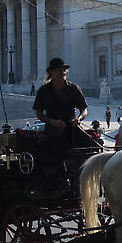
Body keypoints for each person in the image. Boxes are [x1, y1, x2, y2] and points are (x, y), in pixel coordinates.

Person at [33, 57, 88, 194]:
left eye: (64, 70)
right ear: (51, 72)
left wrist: (79, 119)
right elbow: (39, 114)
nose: (62, 73)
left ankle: (86, 175)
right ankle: (61, 180)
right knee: (57, 145)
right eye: (59, 70)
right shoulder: (44, 91)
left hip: (72, 126)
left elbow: (84, 109)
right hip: (53, 127)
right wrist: (52, 122)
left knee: (90, 142)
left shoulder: (74, 89)